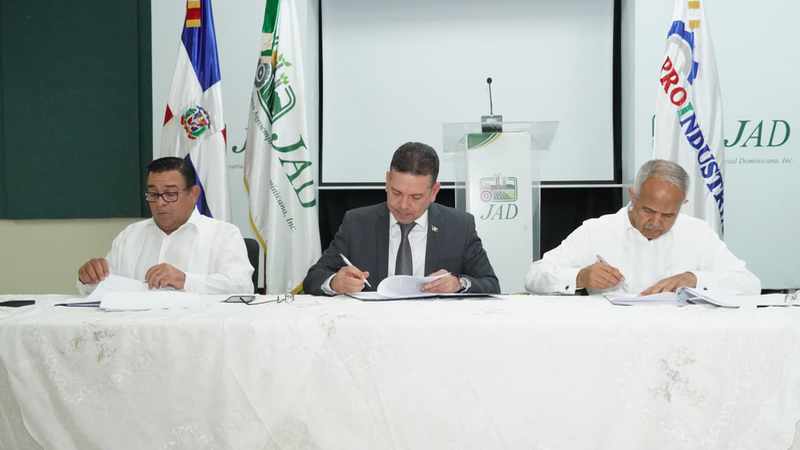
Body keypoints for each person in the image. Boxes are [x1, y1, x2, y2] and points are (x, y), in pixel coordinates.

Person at [525, 159, 761, 295]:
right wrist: (580, 277)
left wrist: (695, 280)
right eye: (648, 211)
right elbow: (534, 276)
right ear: (633, 196)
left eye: (668, 215)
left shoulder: (697, 233)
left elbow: (750, 284)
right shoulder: (597, 231)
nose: (656, 222)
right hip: (611, 340)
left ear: (682, 205)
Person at [303, 142, 500, 296]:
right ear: (387, 181)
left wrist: (459, 284)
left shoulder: (459, 226)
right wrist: (335, 283)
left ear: (434, 192)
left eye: (416, 197)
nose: (403, 205)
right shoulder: (357, 223)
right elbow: (314, 278)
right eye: (396, 193)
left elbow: (491, 284)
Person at [77, 157, 253, 294]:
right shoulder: (130, 235)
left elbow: (242, 287)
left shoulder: (223, 234)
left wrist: (185, 281)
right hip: (138, 327)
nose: (160, 203)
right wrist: (89, 279)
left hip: (197, 328)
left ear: (194, 194)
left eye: (170, 194)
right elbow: (105, 289)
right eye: (153, 194)